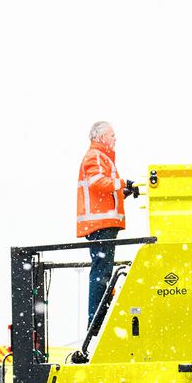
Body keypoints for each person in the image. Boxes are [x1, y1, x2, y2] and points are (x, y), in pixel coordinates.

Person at [76, 121, 138, 321]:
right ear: (101, 137)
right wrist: (122, 183)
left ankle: (98, 318)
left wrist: (124, 192)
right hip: (100, 225)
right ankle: (96, 320)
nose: (115, 139)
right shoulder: (95, 157)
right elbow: (98, 183)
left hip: (103, 225)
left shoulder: (101, 158)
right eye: (112, 135)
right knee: (101, 272)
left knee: (103, 271)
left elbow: (104, 191)